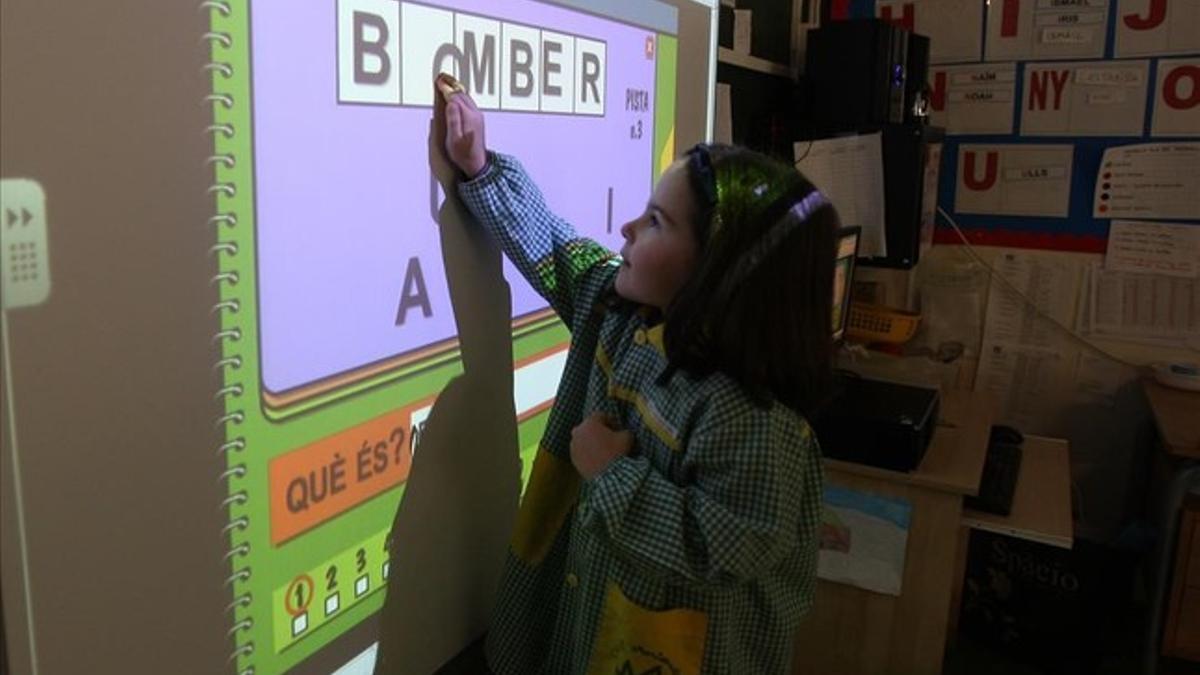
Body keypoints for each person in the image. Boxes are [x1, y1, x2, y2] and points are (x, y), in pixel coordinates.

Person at [433, 73, 838, 675]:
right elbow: (554, 246)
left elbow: (719, 550)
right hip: (587, 630)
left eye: (655, 222)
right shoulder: (621, 314)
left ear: (720, 272)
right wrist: (480, 166)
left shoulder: (755, 420)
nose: (626, 230)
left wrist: (611, 472)